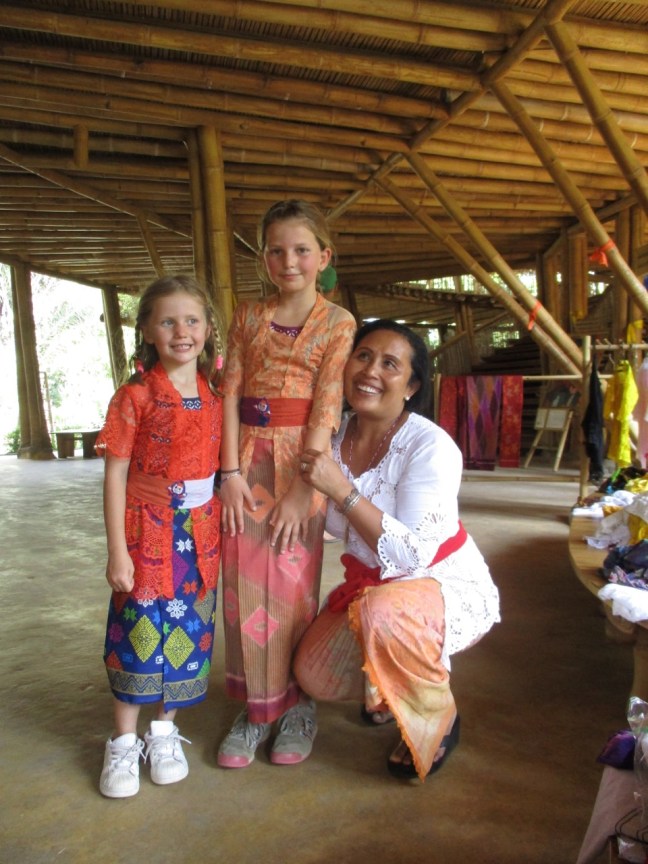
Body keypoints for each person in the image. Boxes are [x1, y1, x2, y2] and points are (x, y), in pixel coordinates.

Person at [293, 319, 500, 781]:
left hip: (437, 584)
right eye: (363, 356)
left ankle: (437, 720)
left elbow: (410, 559)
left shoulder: (429, 446)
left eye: (390, 364)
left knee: (383, 612)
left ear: (412, 386)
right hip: (372, 592)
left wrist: (342, 489)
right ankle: (389, 687)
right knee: (314, 674)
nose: (371, 371)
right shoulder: (333, 433)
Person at [217, 199, 356, 768]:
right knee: (241, 589)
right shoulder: (247, 316)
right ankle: (255, 710)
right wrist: (226, 472)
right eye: (276, 250)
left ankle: (297, 706)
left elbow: (327, 404)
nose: (289, 260)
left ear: (324, 257)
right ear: (264, 257)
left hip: (303, 466)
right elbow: (229, 394)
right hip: (244, 465)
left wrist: (307, 486)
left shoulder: (337, 322)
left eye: (302, 249)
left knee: (292, 588)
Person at [95, 274, 224, 798]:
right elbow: (115, 475)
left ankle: (165, 731)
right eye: (167, 320)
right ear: (146, 329)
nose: (181, 331)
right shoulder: (134, 396)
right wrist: (116, 551)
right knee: (138, 630)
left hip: (201, 534)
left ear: (208, 328)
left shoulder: (216, 393)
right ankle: (124, 744)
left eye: (192, 320)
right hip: (146, 529)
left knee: (189, 630)